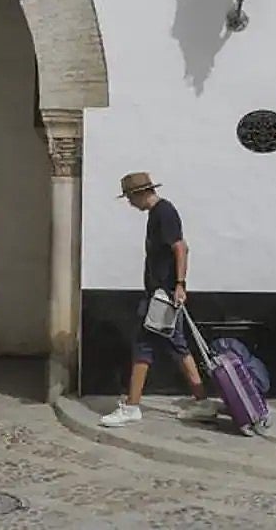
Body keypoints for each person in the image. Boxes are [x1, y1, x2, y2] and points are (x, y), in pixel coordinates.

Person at [99, 172, 216, 428]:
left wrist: (179, 285)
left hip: (162, 296)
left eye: (130, 198)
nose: (130, 203)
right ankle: (202, 402)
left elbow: (181, 247)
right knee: (171, 347)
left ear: (139, 193)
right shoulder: (159, 214)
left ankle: (132, 407)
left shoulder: (164, 213)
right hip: (160, 294)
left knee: (149, 347)